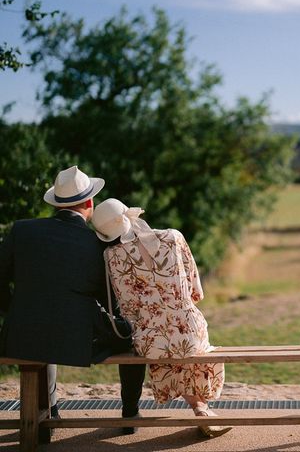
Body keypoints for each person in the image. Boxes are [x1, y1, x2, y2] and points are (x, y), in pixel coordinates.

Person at [0, 166, 146, 436]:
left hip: (22, 335)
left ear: (56, 203)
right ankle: (129, 413)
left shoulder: (21, 231)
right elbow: (109, 301)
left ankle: (49, 414)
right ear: (90, 203)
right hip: (77, 342)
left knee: (42, 337)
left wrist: (15, 308)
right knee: (130, 337)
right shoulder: (95, 243)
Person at [92, 198, 229, 438]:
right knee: (182, 343)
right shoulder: (173, 236)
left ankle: (200, 410)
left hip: (151, 336)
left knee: (164, 345)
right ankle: (201, 409)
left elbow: (128, 308)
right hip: (189, 324)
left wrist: (155, 316)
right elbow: (196, 289)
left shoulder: (112, 256)